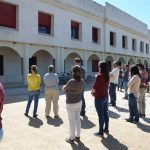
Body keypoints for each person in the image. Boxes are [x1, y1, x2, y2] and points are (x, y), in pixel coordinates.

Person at [62, 65, 84, 144]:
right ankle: (77, 136)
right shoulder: (82, 80)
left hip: (71, 103)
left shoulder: (71, 81)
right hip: (79, 102)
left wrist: (64, 87)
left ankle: (71, 138)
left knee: (72, 121)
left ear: (73, 72)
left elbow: (64, 89)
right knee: (77, 119)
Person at [91, 61, 109, 137]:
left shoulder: (99, 76)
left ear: (101, 67)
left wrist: (92, 93)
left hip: (99, 97)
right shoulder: (107, 75)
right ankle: (106, 129)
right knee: (105, 113)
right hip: (105, 96)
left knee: (100, 115)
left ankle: (101, 131)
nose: (98, 68)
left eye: (99, 66)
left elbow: (95, 87)